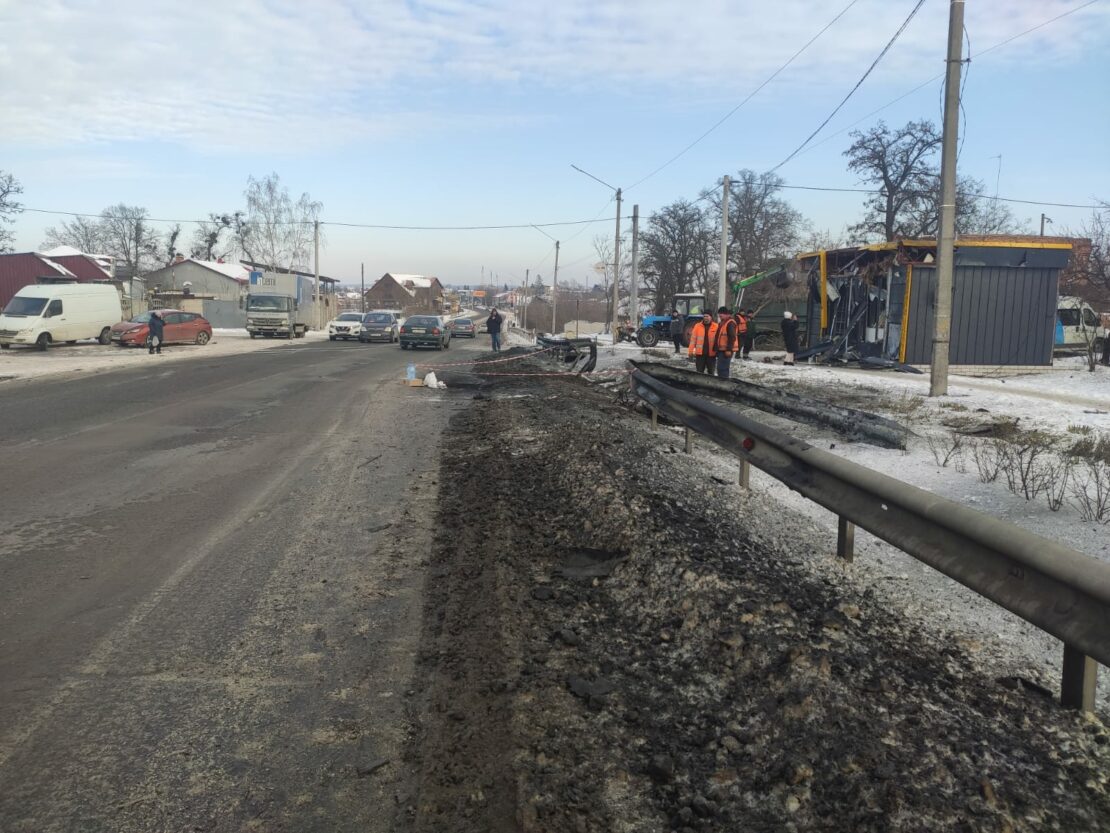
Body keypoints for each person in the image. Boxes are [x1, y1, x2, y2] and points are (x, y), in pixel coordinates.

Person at [687, 310, 718, 375]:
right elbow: (693, 340)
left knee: (711, 373)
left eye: (707, 316)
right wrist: (690, 352)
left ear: (711, 317)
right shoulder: (697, 326)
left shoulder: (716, 326)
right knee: (699, 372)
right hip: (700, 354)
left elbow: (718, 340)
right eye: (704, 316)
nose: (705, 318)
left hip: (711, 355)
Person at [715, 305, 739, 379]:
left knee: (722, 368)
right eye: (719, 315)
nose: (720, 317)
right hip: (722, 350)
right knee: (721, 368)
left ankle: (724, 382)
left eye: (721, 315)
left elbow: (732, 337)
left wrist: (729, 349)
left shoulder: (730, 323)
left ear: (726, 314)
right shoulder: (723, 323)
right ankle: (722, 380)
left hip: (726, 350)